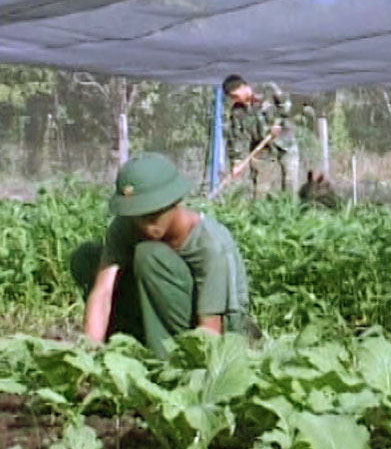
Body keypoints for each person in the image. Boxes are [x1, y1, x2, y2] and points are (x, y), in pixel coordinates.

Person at [70, 153, 256, 358]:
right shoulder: (126, 226)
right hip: (162, 301)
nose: (145, 225)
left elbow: (210, 330)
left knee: (148, 254)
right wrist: (88, 355)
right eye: (136, 215)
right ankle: (123, 344)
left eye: (153, 214)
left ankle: (162, 358)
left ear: (174, 202)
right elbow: (103, 291)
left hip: (213, 325)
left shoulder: (210, 244)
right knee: (87, 256)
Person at [222, 74, 300, 199]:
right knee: (261, 189)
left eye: (236, 96)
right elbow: (237, 138)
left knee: (290, 183)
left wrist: (277, 123)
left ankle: (290, 212)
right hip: (262, 149)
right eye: (232, 98)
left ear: (244, 87)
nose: (235, 100)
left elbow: (286, 105)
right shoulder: (237, 112)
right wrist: (237, 162)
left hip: (285, 144)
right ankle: (261, 213)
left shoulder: (268, 89)